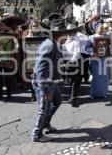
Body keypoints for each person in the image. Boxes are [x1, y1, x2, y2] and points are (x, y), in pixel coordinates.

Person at [31, 13, 66, 142]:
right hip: (44, 82)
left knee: (57, 101)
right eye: (64, 33)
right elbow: (41, 69)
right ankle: (37, 134)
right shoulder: (50, 45)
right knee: (43, 108)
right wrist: (45, 90)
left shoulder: (55, 43)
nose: (67, 35)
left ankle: (45, 123)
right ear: (57, 34)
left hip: (51, 81)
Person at [88, 24, 112, 99]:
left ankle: (103, 93)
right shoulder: (91, 37)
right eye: (100, 28)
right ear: (96, 29)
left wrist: (110, 49)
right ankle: (93, 94)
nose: (101, 30)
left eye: (102, 28)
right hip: (96, 60)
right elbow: (87, 47)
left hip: (105, 60)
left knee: (104, 77)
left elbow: (110, 47)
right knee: (96, 77)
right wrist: (92, 53)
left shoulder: (107, 37)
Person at [62, 24, 81, 107]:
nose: (69, 33)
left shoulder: (76, 40)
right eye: (68, 31)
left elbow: (77, 53)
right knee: (68, 79)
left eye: (71, 31)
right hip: (65, 61)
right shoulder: (66, 40)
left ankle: (73, 98)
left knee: (74, 80)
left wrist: (71, 61)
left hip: (73, 61)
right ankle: (71, 96)